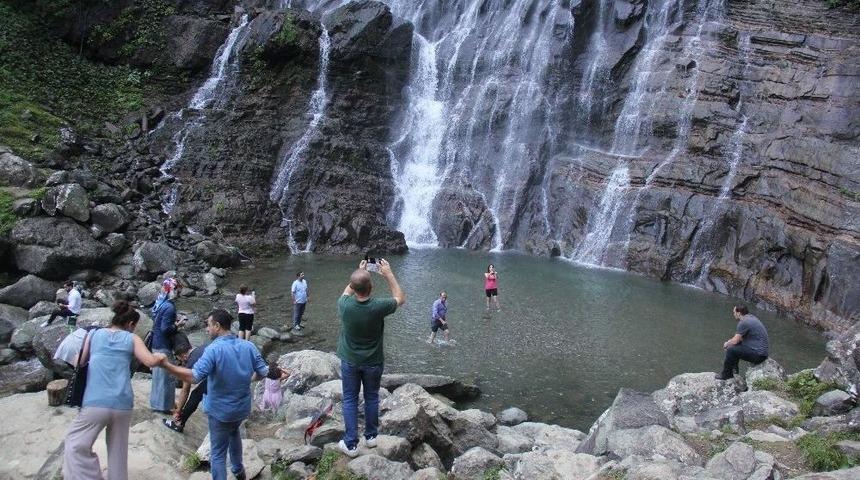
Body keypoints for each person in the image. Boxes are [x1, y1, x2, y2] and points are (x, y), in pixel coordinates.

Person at [157, 309, 289, 480]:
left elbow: (194, 376)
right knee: (234, 433)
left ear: (217, 326)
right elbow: (264, 371)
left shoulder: (213, 350)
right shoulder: (248, 346)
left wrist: (166, 365)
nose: (206, 329)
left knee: (217, 453)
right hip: (241, 409)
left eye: (208, 325)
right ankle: (238, 471)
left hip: (220, 411)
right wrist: (259, 376)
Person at [63, 301, 165, 480]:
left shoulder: (93, 334)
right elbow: (150, 362)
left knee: (75, 445)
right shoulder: (133, 339)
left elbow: (79, 362)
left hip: (95, 402)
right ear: (131, 324)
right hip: (123, 403)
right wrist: (161, 356)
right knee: (118, 453)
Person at [336, 258, 405, 457]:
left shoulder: (344, 304)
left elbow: (348, 291)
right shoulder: (378, 306)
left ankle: (350, 444)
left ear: (354, 287)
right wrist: (389, 274)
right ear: (371, 286)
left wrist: (359, 272)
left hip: (350, 361)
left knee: (349, 399)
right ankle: (371, 436)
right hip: (373, 361)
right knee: (372, 397)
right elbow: (400, 298)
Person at [162, 334, 208, 434]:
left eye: (181, 360)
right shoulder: (201, 348)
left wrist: (178, 410)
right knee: (200, 391)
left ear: (184, 355)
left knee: (196, 395)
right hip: (227, 371)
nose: (182, 362)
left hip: (220, 376)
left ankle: (179, 423)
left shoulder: (191, 362)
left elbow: (185, 390)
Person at [150, 283, 184, 413]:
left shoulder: (160, 303)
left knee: (158, 376)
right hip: (163, 345)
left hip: (156, 343)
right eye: (178, 291)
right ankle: (163, 407)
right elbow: (165, 329)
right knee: (167, 377)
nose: (179, 293)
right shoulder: (169, 307)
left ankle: (157, 403)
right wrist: (178, 325)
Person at [716, 305, 769, 380]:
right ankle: (734, 370)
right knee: (734, 346)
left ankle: (726, 374)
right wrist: (730, 342)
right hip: (762, 353)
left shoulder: (744, 322)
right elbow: (739, 339)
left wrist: (727, 344)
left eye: (734, 312)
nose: (733, 314)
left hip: (758, 355)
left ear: (739, 313)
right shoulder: (751, 318)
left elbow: (735, 341)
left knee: (730, 349)